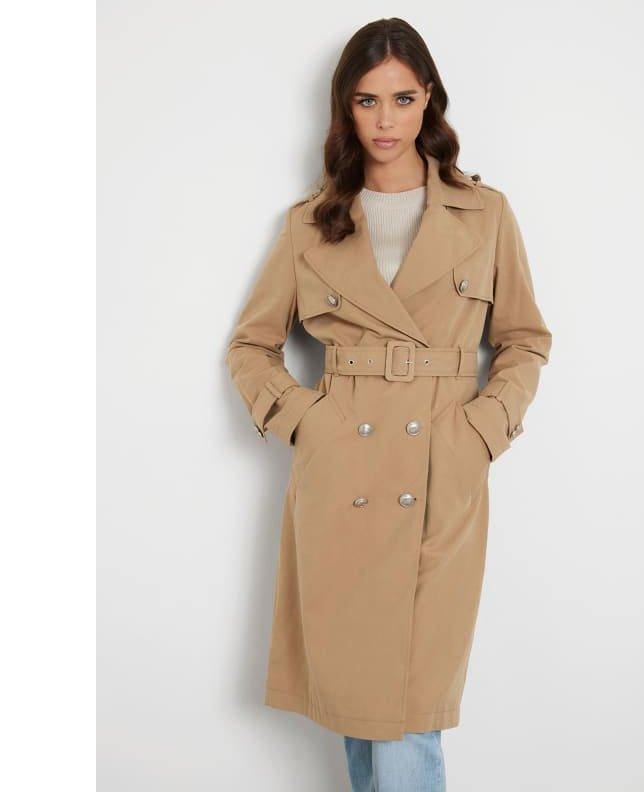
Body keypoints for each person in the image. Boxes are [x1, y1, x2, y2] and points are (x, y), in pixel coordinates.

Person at [226, 17, 552, 792]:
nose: (385, 120)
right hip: (343, 482)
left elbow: (524, 340)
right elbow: (250, 346)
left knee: (409, 711)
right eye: (366, 100)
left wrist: (481, 430)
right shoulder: (311, 224)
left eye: (402, 98)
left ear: (428, 98)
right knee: (364, 712)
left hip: (440, 476)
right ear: (345, 107)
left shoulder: (485, 214)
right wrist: (308, 423)